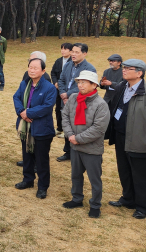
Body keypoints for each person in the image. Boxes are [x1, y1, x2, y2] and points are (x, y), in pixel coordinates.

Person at [106, 59, 146, 219]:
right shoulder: (121, 87)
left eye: (128, 68)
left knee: (140, 175)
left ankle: (143, 206)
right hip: (120, 137)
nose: (124, 70)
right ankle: (128, 199)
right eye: (124, 68)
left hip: (141, 141)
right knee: (124, 169)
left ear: (139, 73)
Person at [61, 71, 110, 218]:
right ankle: (77, 198)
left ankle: (95, 205)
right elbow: (65, 116)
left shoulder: (101, 105)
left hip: (91, 149)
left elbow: (98, 129)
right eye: (79, 82)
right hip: (75, 145)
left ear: (94, 85)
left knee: (94, 179)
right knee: (75, 175)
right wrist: (70, 135)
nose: (80, 85)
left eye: (84, 82)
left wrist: (78, 138)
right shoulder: (74, 98)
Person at [13, 58, 56, 198]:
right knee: (27, 155)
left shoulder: (49, 88)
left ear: (43, 71)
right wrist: (21, 112)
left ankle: (43, 186)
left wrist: (29, 113)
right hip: (26, 127)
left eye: (35, 68)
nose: (31, 70)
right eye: (30, 67)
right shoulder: (24, 84)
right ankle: (28, 180)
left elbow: (47, 107)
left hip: (42, 129)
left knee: (41, 159)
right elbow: (16, 98)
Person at [56, 43, 96, 162]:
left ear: (84, 54)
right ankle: (67, 151)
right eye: (72, 51)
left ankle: (77, 152)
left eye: (76, 52)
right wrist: (63, 94)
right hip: (65, 100)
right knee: (66, 124)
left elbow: (85, 85)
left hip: (79, 101)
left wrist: (68, 95)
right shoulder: (68, 65)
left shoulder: (89, 68)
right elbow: (61, 80)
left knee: (78, 127)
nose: (73, 54)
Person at [50, 43, 73, 138]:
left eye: (65, 49)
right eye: (62, 48)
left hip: (69, 90)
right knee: (58, 108)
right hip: (58, 89)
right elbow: (53, 73)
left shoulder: (73, 62)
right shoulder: (58, 61)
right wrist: (55, 83)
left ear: (71, 51)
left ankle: (67, 130)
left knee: (67, 110)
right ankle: (59, 128)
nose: (63, 50)